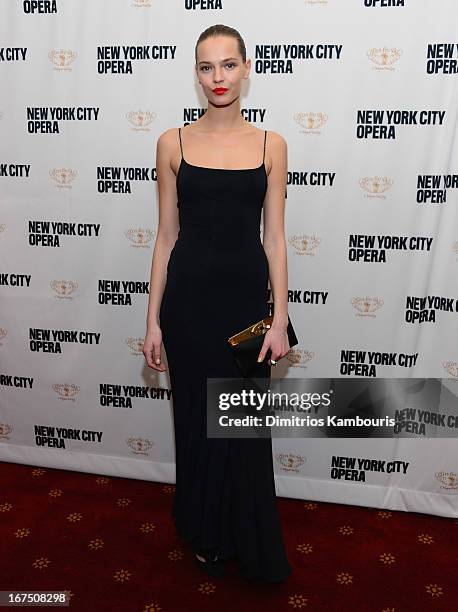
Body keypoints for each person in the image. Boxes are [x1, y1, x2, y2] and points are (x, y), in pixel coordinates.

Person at [143, 23, 292, 583]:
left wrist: (280, 318)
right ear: (196, 74)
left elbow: (275, 238)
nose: (218, 78)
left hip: (247, 304)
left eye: (228, 65)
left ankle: (245, 535)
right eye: (206, 67)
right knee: (198, 425)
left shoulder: (271, 145)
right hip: (187, 307)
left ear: (246, 68)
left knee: (243, 426)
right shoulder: (171, 143)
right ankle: (205, 528)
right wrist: (153, 320)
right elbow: (164, 237)